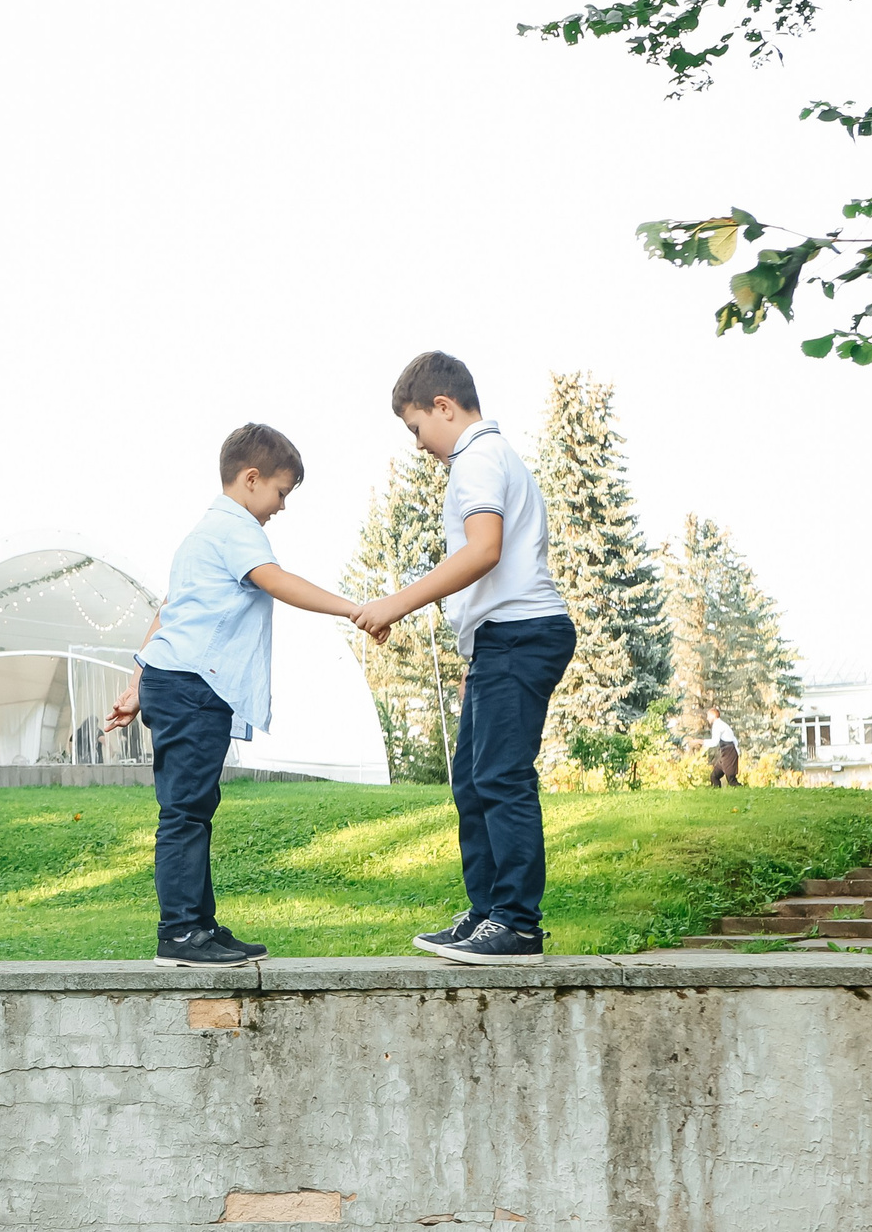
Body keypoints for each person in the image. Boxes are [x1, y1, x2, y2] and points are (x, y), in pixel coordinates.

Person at [105, 423, 361, 968]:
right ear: (251, 479)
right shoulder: (236, 527)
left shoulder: (201, 535)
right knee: (185, 811)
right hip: (193, 683)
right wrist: (353, 610)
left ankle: (198, 926)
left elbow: (169, 612)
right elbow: (277, 581)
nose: (282, 507)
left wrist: (135, 685)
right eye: (281, 492)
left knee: (194, 806)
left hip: (176, 679)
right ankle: (178, 934)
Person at [354, 352, 576, 967]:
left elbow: (484, 550)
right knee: (473, 781)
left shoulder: (477, 459)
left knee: (501, 777)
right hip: (500, 639)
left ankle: (517, 925)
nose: (419, 445)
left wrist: (396, 604)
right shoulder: (491, 458)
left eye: (416, 428)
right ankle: (487, 914)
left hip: (521, 633)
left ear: (443, 408)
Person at [707, 706, 741, 787]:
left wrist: (701, 742)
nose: (707, 718)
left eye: (708, 716)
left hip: (729, 753)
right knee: (714, 776)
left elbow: (714, 742)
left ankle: (743, 792)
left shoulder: (718, 725)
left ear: (713, 716)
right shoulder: (721, 724)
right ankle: (716, 794)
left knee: (731, 780)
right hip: (725, 754)